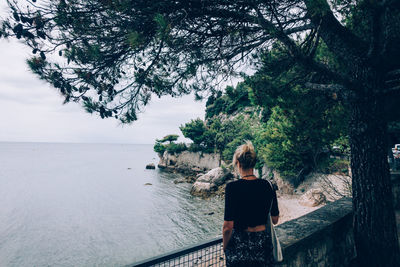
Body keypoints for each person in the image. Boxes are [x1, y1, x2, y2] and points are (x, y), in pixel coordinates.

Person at [223, 141, 279, 267]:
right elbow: (275, 219)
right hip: (262, 243)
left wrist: (225, 247)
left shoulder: (232, 187)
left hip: (240, 244)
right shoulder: (268, 185)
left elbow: (227, 226)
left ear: (238, 163)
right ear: (253, 163)